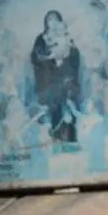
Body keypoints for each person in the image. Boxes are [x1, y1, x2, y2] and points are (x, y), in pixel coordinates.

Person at [30, 10, 86, 143]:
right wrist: (50, 59)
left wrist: (63, 59)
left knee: (69, 109)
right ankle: (55, 138)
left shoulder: (66, 38)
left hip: (66, 83)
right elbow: (36, 58)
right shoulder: (41, 39)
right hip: (50, 83)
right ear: (46, 23)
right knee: (55, 109)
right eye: (49, 20)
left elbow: (74, 56)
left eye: (55, 19)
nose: (52, 23)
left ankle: (71, 138)